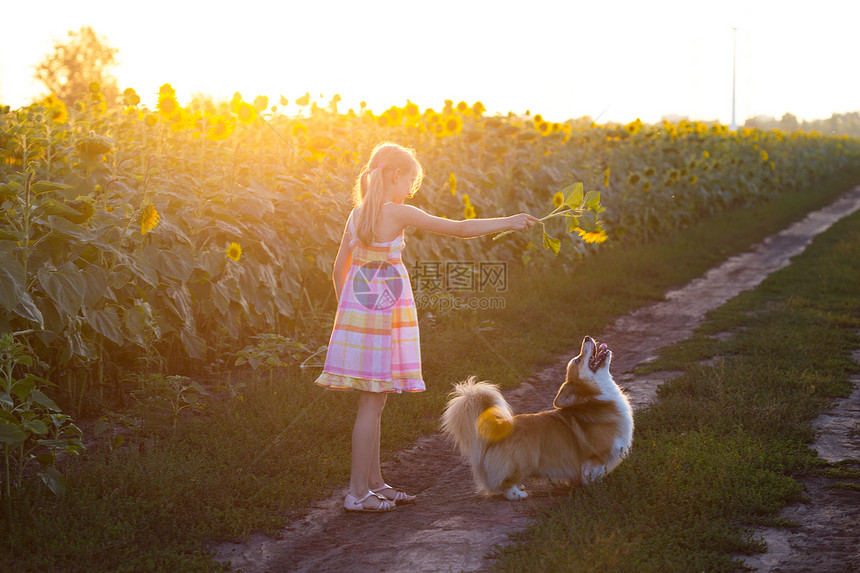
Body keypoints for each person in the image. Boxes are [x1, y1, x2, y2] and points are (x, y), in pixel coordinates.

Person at [314, 141, 538, 512]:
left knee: (376, 399)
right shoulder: (398, 213)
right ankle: (356, 494)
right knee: (370, 405)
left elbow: (339, 270)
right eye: (411, 181)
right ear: (396, 175)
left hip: (359, 313)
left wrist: (349, 318)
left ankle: (374, 483)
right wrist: (509, 221)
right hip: (384, 315)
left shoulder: (357, 215)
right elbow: (460, 228)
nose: (411, 189)